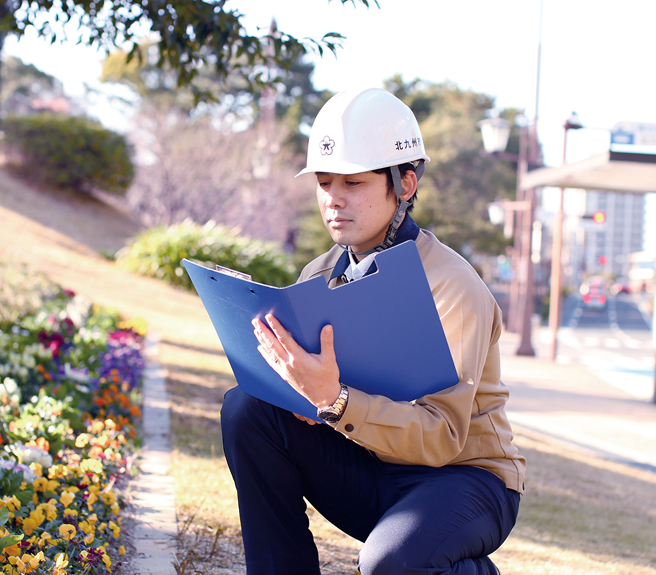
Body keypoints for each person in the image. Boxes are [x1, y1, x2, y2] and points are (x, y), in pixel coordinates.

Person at [220, 88, 526, 575]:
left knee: (389, 564)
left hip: (463, 480)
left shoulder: (453, 285)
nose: (334, 200)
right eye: (324, 183)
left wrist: (333, 399)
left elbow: (442, 436)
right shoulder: (320, 271)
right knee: (248, 410)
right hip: (369, 465)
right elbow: (304, 398)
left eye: (354, 184)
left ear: (405, 184)